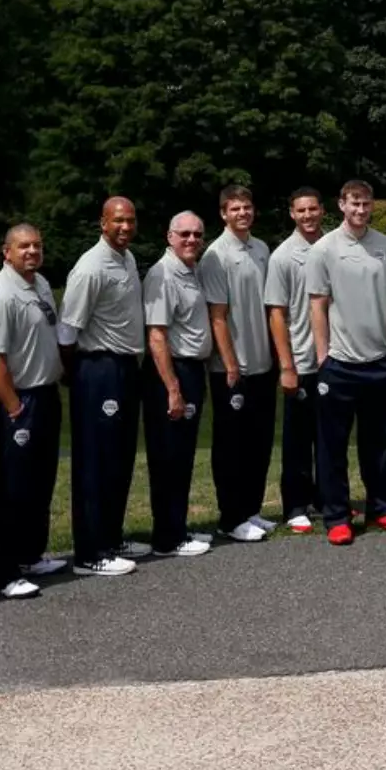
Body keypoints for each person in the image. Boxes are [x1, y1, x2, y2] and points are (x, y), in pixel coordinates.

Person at [306, 180, 386, 546]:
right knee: (333, 446)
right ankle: (337, 516)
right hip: (340, 362)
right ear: (341, 205)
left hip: (381, 361)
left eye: (366, 204)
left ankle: (382, 508)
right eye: (354, 203)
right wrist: (323, 356)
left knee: (379, 443)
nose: (360, 210)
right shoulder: (324, 249)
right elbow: (318, 304)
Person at [60, 197, 147, 577]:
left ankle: (111, 537)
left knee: (119, 456)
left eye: (130, 220)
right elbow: (67, 332)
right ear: (103, 223)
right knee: (95, 461)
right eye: (118, 221)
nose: (125, 227)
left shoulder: (126, 258)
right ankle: (90, 551)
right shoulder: (90, 267)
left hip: (125, 365)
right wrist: (75, 374)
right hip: (98, 367)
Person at [0, 224, 63, 600]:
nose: (32, 251)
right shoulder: (1, 293)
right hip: (17, 400)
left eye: (37, 245)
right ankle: (4, 572)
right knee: (10, 488)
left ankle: (30, 556)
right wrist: (13, 405)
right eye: (23, 246)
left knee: (40, 482)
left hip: (45, 394)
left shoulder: (40, 284)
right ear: (6, 251)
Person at [200, 185, 276, 544]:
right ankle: (230, 518)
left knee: (259, 443)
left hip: (262, 363)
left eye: (247, 207)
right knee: (232, 447)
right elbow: (217, 316)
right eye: (235, 208)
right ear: (223, 213)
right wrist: (230, 363)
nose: (242, 213)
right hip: (232, 368)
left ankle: (251, 509)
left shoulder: (261, 248)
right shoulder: (216, 255)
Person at [142, 212, 215, 559]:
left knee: (183, 455)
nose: (191, 240)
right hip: (172, 372)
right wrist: (172, 388)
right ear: (169, 236)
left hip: (191, 370)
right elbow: (157, 335)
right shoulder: (163, 274)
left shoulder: (190, 270)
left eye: (197, 234)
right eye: (184, 234)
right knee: (169, 457)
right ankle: (168, 538)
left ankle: (177, 526)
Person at [263, 187, 325, 534]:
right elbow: (276, 313)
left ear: (322, 210)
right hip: (301, 359)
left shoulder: (333, 246)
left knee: (328, 437)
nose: (307, 215)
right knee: (298, 439)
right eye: (301, 210)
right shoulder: (283, 257)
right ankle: (296, 505)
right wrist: (286, 365)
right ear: (292, 214)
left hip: (333, 358)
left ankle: (326, 498)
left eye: (312, 209)